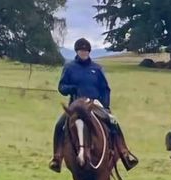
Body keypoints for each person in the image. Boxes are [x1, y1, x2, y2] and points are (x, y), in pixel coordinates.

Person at [48, 38, 138, 172]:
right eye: (81, 50)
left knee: (114, 122)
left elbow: (105, 88)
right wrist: (72, 88)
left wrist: (105, 106)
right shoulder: (69, 67)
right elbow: (61, 87)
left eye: (85, 51)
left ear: (89, 52)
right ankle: (57, 157)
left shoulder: (96, 68)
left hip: (95, 104)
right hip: (76, 106)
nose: (83, 53)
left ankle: (124, 153)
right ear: (77, 52)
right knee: (59, 125)